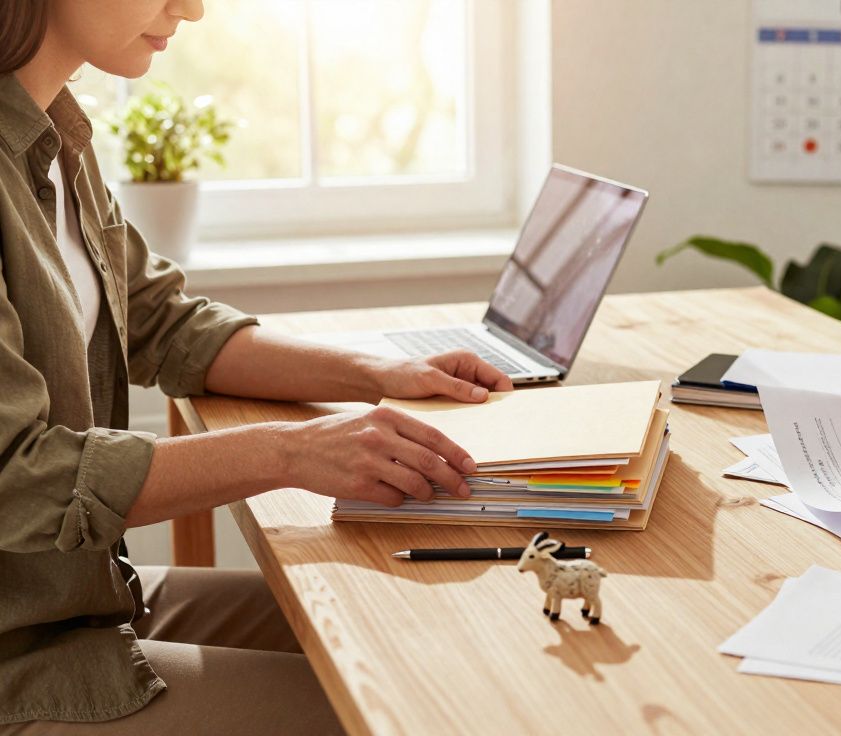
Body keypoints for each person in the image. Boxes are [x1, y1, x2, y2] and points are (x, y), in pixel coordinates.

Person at [0, 0, 513, 731]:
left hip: (84, 602)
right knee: (393, 710)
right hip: (21, 661)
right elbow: (16, 478)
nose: (192, 7)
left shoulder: (55, 134)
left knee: (412, 640)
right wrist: (293, 451)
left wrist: (379, 373)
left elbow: (159, 321)